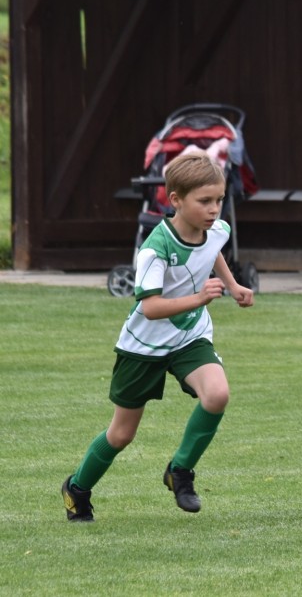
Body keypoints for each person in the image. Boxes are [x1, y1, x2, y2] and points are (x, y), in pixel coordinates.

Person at [61, 152, 255, 522]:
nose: (214, 209)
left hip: (189, 337)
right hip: (144, 345)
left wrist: (232, 285)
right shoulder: (155, 248)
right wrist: (199, 298)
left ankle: (180, 471)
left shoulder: (218, 228)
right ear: (176, 200)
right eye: (204, 201)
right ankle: (77, 488)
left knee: (217, 394)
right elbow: (150, 307)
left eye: (218, 199)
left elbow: (212, 250)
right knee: (121, 435)